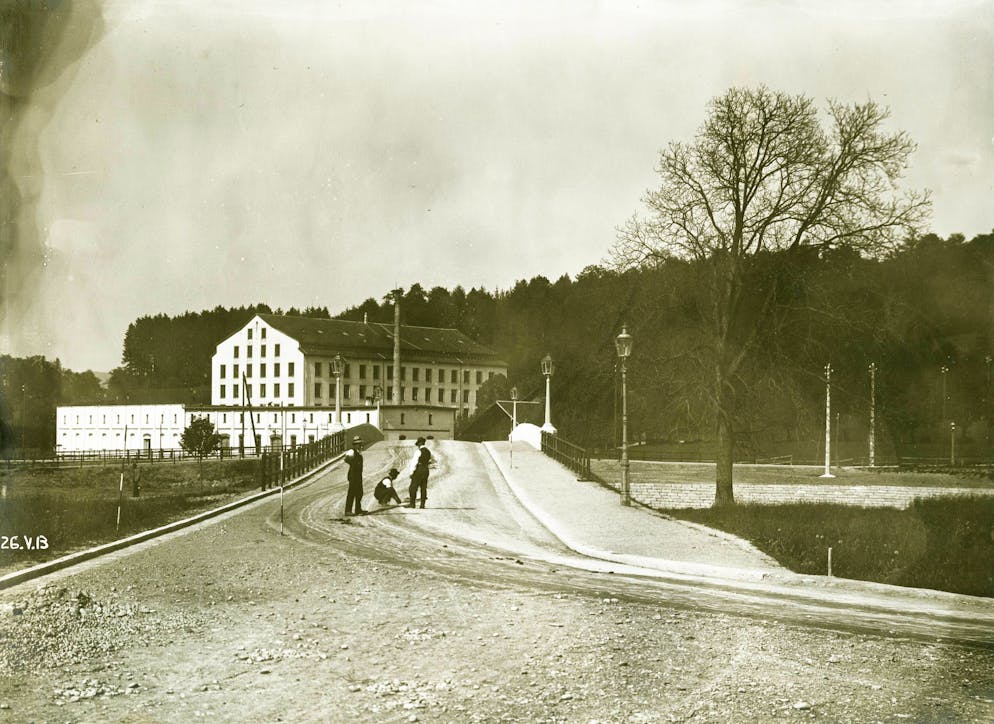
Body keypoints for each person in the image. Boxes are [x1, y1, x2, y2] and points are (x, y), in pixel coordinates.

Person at [407, 436, 432, 509]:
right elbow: (430, 461)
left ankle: (412, 504)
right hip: (426, 469)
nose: (417, 445)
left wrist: (411, 472)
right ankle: (422, 505)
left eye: (418, 444)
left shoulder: (418, 451)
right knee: (423, 487)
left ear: (419, 444)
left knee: (413, 487)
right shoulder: (428, 451)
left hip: (419, 469)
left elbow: (414, 462)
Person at [344, 435, 365, 516]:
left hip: (358, 475)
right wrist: (353, 463)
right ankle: (348, 511)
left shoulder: (358, 452)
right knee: (351, 493)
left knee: (359, 492)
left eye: (360, 443)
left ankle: (358, 510)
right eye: (359, 444)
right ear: (355, 445)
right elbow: (346, 459)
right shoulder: (351, 451)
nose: (360, 445)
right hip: (353, 475)